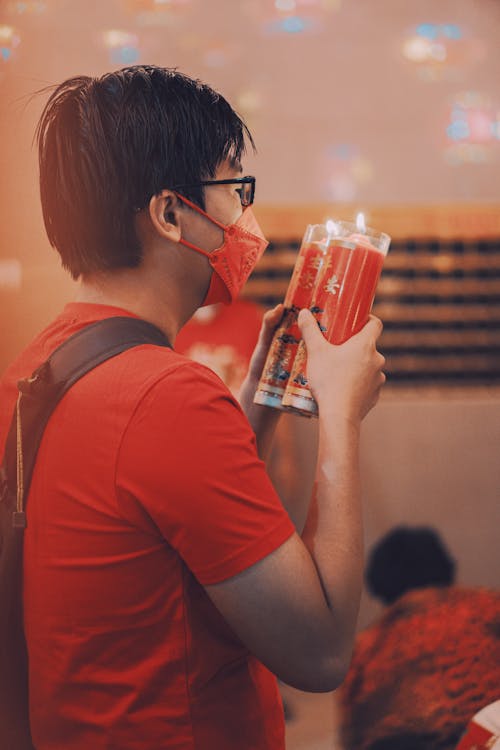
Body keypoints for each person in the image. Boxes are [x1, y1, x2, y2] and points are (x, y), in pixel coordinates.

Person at [0, 65, 385, 749]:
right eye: (235, 190)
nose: (247, 221)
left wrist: (257, 407)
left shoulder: (32, 372)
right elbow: (321, 651)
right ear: (172, 214)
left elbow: (151, 515)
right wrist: (341, 416)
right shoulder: (167, 396)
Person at [337, 526, 500, 750]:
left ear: (378, 584)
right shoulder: (486, 606)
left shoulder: (364, 648)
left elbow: (352, 736)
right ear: (446, 565)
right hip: (483, 731)